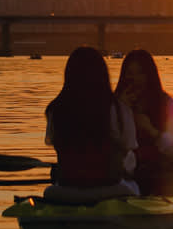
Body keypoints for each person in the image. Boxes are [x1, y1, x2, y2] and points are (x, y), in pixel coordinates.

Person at [44, 46, 140, 201]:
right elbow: (128, 147)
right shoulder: (118, 109)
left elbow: (54, 143)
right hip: (111, 189)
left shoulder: (55, 109)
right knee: (134, 184)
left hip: (66, 190)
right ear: (102, 75)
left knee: (49, 191)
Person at [115, 49, 173, 195]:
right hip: (124, 171)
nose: (135, 79)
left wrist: (152, 131)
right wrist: (122, 111)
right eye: (130, 73)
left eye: (140, 73)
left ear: (150, 76)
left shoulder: (167, 104)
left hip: (157, 169)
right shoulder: (114, 105)